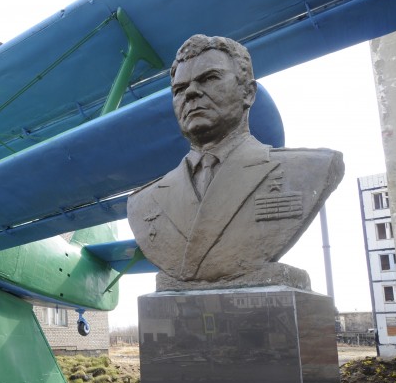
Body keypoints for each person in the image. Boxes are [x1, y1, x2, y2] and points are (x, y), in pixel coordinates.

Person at [126, 34, 344, 289]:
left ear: (248, 93)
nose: (192, 93)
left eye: (209, 78)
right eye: (180, 89)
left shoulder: (309, 169)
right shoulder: (142, 203)